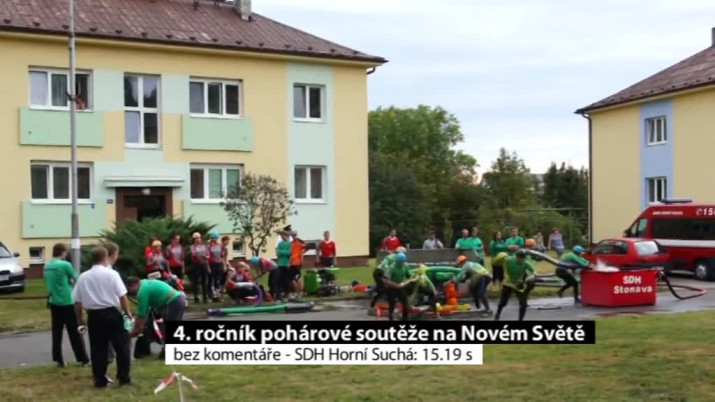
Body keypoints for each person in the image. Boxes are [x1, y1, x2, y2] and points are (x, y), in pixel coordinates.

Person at [73, 247, 132, 388]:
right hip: (111, 313)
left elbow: (77, 301)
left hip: (94, 315)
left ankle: (99, 379)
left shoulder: (83, 277)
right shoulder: (112, 274)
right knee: (122, 345)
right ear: (106, 258)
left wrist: (80, 319)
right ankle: (123, 377)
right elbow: (122, 296)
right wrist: (127, 312)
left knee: (98, 348)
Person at [43, 243, 89, 368]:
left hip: (53, 300)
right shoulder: (65, 265)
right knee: (74, 331)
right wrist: (70, 281)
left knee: (57, 332)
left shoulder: (47, 266)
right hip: (67, 300)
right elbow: (76, 278)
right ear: (63, 252)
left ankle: (59, 359)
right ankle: (82, 358)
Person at [126, 277, 186, 359]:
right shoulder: (143, 283)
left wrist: (136, 329)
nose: (131, 292)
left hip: (174, 302)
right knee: (161, 327)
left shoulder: (142, 292)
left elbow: (141, 314)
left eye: (130, 289)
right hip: (172, 301)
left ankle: (170, 352)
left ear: (134, 285)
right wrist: (140, 327)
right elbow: (145, 312)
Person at [494, 250, 536, 321]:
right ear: (516, 257)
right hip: (508, 283)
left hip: (518, 283)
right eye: (519, 258)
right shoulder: (509, 260)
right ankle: (497, 316)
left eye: (522, 258)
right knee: (503, 302)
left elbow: (534, 272)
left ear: (524, 258)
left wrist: (530, 277)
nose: (520, 260)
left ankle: (520, 319)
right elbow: (498, 261)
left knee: (523, 304)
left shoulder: (526, 263)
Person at [381, 252, 412, 321]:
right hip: (391, 288)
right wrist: (395, 285)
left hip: (401, 286)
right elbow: (386, 280)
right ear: (397, 261)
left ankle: (405, 317)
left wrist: (407, 281)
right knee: (392, 303)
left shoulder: (405, 266)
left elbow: (409, 276)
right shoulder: (392, 267)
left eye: (403, 261)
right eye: (400, 262)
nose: (401, 263)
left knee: (405, 302)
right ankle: (391, 317)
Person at [189, 232, 209, 303]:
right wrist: (201, 257)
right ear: (194, 239)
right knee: (196, 281)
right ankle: (196, 297)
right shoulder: (192, 247)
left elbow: (207, 254)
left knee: (204, 281)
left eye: (199, 238)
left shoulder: (204, 246)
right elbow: (194, 255)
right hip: (196, 265)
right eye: (197, 238)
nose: (199, 239)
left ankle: (205, 297)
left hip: (204, 265)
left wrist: (206, 257)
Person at [207, 232, 225, 301]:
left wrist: (224, 265)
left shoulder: (219, 246)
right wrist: (208, 267)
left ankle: (217, 295)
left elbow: (222, 256)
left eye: (217, 238)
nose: (216, 239)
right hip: (212, 264)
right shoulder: (209, 246)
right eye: (214, 238)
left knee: (218, 280)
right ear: (212, 238)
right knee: (210, 280)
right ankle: (210, 296)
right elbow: (207, 258)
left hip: (219, 264)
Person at [276, 231, 292, 301]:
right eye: (281, 236)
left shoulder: (290, 244)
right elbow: (278, 253)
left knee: (287, 279)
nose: (282, 237)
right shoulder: (280, 244)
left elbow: (290, 253)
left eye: (283, 235)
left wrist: (283, 251)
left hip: (287, 263)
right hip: (281, 263)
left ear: (287, 236)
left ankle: (287, 292)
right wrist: (285, 252)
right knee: (280, 279)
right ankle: (280, 293)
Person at [289, 231, 306, 298]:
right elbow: (305, 246)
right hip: (294, 262)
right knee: (293, 278)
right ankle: (298, 292)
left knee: (296, 278)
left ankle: (299, 292)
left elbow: (305, 246)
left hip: (296, 262)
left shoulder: (293, 244)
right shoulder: (297, 243)